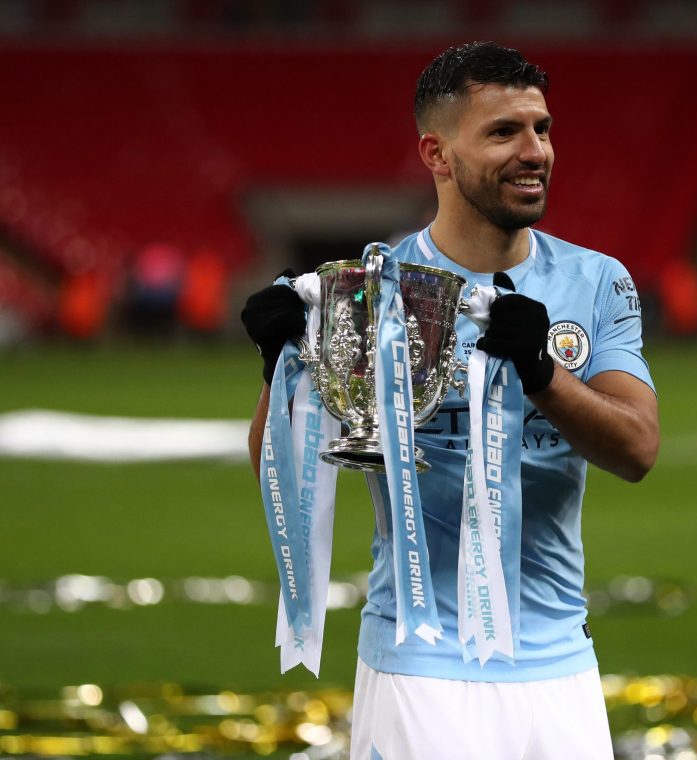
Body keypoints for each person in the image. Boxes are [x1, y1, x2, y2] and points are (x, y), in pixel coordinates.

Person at [242, 42, 659, 760]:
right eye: (504, 132)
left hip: (558, 663)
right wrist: (282, 366)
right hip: (416, 660)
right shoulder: (370, 291)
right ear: (437, 155)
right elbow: (283, 474)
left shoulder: (596, 282)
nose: (535, 151)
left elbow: (636, 449)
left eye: (543, 128)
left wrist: (539, 370)